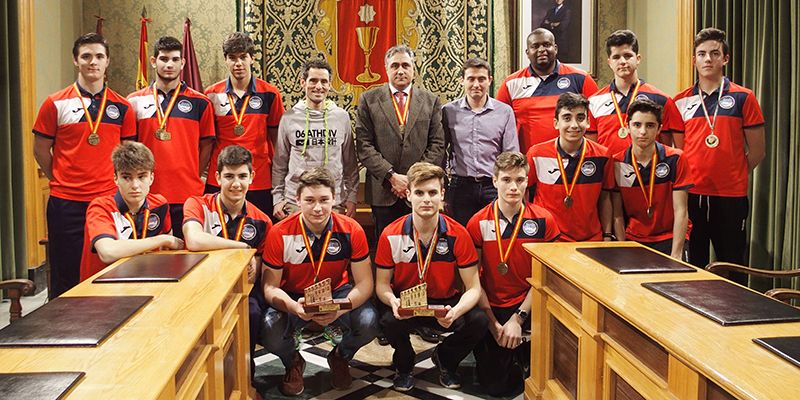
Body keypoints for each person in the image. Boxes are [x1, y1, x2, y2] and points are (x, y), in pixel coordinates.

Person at [33, 33, 137, 298]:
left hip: (108, 202)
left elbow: (127, 156)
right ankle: (64, 332)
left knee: (109, 269)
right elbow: (41, 149)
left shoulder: (122, 106)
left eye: (99, 56)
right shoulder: (54, 103)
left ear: (107, 62)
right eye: (86, 56)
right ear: (75, 61)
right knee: (65, 273)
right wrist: (59, 178)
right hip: (66, 202)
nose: (93, 62)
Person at [261, 168, 378, 396]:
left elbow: (365, 284)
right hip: (293, 296)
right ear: (297, 200)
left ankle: (340, 356)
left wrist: (339, 308)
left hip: (336, 294)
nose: (317, 208)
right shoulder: (279, 232)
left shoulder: (352, 230)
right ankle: (292, 360)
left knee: (369, 322)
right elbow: (270, 287)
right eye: (310, 200)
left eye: (324, 200)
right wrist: (294, 307)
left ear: (334, 199)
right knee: (268, 329)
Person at [374, 162, 488, 392]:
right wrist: (393, 301)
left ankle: (446, 358)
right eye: (419, 193)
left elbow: (474, 287)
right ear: (408, 195)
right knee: (387, 319)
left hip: (444, 303)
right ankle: (404, 364)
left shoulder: (459, 233)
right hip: (406, 303)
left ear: (442, 195)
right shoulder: (390, 234)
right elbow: (382, 285)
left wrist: (456, 311)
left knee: (479, 320)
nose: (426, 199)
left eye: (433, 192)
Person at [674, 28, 765, 283]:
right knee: (695, 265)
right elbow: (681, 152)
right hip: (692, 194)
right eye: (701, 54)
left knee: (733, 263)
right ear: (694, 60)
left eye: (714, 53)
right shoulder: (680, 101)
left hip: (731, 195)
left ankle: (738, 317)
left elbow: (757, 151)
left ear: (725, 58)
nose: (707, 59)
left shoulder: (743, 97)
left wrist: (734, 172)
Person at [466, 151, 560, 396]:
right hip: (491, 305)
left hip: (529, 304)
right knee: (496, 388)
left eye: (520, 180)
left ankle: (525, 353)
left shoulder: (544, 220)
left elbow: (546, 278)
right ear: (494, 181)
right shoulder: (477, 222)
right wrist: (493, 323)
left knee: (539, 379)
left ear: (528, 181)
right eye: (507, 180)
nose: (514, 187)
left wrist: (518, 319)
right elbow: (472, 279)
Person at [182, 145, 273, 391]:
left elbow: (258, 270)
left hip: (240, 292)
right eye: (229, 176)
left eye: (242, 176)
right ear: (217, 177)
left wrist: (252, 261)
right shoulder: (197, 204)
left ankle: (245, 382)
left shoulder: (262, 220)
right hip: (199, 289)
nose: (236, 184)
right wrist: (242, 247)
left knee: (252, 312)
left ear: (252, 177)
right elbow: (193, 240)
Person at [128, 36, 215, 238]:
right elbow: (129, 147)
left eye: (175, 59)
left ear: (183, 63)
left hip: (188, 194)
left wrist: (193, 173)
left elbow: (206, 145)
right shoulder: (134, 101)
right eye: (164, 59)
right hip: (147, 194)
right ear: (153, 61)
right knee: (151, 258)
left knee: (189, 255)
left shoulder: (201, 102)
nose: (169, 64)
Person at [355, 44, 445, 240]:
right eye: (395, 66)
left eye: (406, 65)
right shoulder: (369, 100)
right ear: (386, 69)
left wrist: (413, 179)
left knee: (420, 247)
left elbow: (437, 145)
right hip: (383, 190)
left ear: (414, 68)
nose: (401, 70)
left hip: (421, 191)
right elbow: (364, 145)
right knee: (386, 249)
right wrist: (392, 177)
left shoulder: (431, 101)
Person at [205, 32, 285, 214]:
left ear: (252, 59)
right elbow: (207, 140)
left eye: (243, 57)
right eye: (232, 58)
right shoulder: (211, 94)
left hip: (259, 178)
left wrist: (279, 180)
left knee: (260, 233)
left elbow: (277, 140)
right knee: (219, 234)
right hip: (221, 178)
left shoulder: (270, 94)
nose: (238, 63)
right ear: (226, 60)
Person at [79, 142, 182, 280]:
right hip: (103, 288)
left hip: (145, 281)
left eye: (141, 177)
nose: (135, 185)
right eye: (126, 177)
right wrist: (161, 239)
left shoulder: (160, 204)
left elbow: (168, 251)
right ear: (115, 178)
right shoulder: (100, 207)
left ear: (151, 178)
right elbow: (107, 252)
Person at [272, 59, 357, 220]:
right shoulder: (289, 118)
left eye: (324, 81)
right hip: (296, 200)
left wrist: (352, 197)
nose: (319, 86)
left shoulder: (342, 117)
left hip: (333, 201)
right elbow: (279, 163)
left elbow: (350, 164)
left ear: (330, 85)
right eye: (313, 81)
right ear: (303, 83)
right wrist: (277, 198)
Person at [526, 92, 614, 242]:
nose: (574, 125)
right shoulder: (536, 153)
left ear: (588, 122)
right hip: (548, 238)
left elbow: (605, 197)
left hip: (590, 239)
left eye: (580, 118)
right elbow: (524, 193)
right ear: (556, 123)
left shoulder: (603, 155)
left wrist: (607, 235)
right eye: (567, 118)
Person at [611, 99, 692, 259]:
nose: (642, 132)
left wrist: (676, 254)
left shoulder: (675, 158)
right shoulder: (617, 163)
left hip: (670, 237)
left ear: (659, 129)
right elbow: (617, 214)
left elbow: (681, 210)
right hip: (633, 239)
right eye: (637, 125)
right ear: (627, 127)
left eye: (650, 126)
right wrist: (622, 246)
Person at [497, 28, 598, 153]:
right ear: (527, 52)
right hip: (526, 162)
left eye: (546, 45)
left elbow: (594, 126)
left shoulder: (581, 78)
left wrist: (589, 158)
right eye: (535, 46)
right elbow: (499, 126)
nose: (541, 50)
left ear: (555, 48)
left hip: (572, 161)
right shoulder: (511, 83)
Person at [443, 57, 518, 226]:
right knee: (463, 238)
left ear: (490, 80)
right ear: (462, 80)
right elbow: (441, 150)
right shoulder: (448, 111)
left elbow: (511, 154)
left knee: (495, 235)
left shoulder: (504, 112)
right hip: (460, 186)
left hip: (493, 186)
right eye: (471, 79)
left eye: (481, 79)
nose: (476, 84)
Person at [587, 29, 685, 155]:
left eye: (627, 56)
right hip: (609, 172)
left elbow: (673, 151)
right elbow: (593, 150)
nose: (622, 61)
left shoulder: (661, 99)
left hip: (649, 172)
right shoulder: (593, 102)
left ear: (638, 59)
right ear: (609, 63)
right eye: (616, 57)